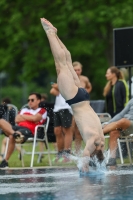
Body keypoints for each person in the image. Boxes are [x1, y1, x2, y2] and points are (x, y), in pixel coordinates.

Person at [40, 18, 104, 172]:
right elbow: (85, 155)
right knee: (61, 64)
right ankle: (50, 33)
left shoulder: (101, 141)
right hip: (75, 99)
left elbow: (98, 153)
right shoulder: (94, 140)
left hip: (83, 97)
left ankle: (55, 34)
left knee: (67, 60)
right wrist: (86, 171)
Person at [0, 92, 47, 168]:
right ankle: (15, 134)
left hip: (30, 130)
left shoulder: (42, 110)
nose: (29, 102)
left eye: (32, 100)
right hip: (18, 128)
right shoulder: (24, 109)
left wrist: (23, 117)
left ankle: (5, 161)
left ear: (38, 101)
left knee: (12, 136)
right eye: (28, 100)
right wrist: (30, 118)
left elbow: (35, 118)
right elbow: (16, 119)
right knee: (1, 121)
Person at [103, 98, 133, 166]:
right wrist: (109, 123)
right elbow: (121, 114)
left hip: (129, 123)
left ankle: (100, 132)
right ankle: (112, 159)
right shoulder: (132, 100)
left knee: (123, 121)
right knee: (114, 132)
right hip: (124, 124)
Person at [50, 83, 74, 162]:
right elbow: (53, 91)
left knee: (67, 130)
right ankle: (60, 153)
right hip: (57, 108)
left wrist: (58, 87)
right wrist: (60, 88)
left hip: (67, 107)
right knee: (57, 131)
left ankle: (67, 154)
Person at [72, 61, 92, 154]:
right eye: (75, 70)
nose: (77, 72)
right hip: (74, 106)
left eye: (78, 70)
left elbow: (89, 87)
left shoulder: (84, 79)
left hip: (84, 106)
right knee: (76, 131)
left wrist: (86, 93)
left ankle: (88, 150)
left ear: (81, 70)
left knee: (86, 129)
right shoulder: (70, 79)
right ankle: (77, 151)